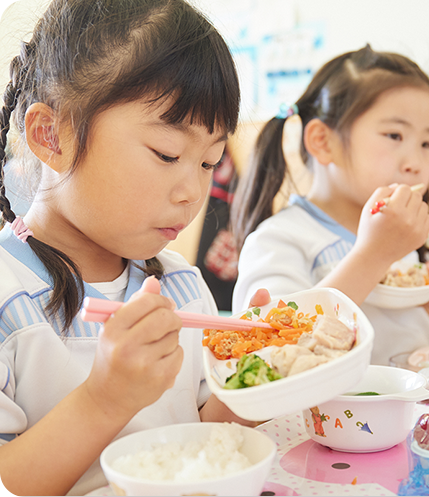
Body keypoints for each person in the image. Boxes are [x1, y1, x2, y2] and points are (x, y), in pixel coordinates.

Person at [0, 1, 271, 494]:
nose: (192, 192)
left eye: (209, 163)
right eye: (167, 154)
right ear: (50, 136)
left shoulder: (182, 285)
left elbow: (205, 442)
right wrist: (105, 399)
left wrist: (252, 379)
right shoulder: (8, 297)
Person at [231, 45, 429, 366]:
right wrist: (374, 255)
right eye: (394, 135)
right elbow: (273, 348)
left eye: (426, 143)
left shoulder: (394, 233)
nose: (417, 163)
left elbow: (402, 341)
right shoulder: (280, 240)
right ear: (323, 141)